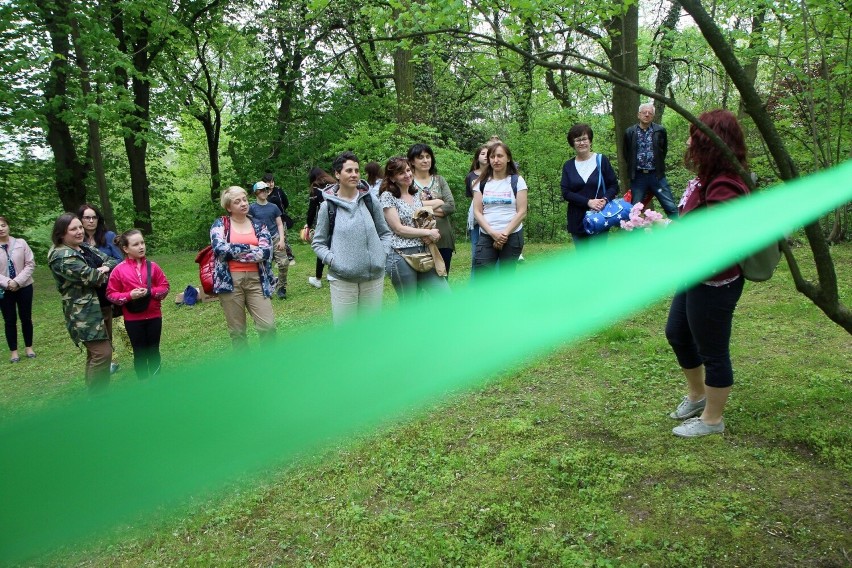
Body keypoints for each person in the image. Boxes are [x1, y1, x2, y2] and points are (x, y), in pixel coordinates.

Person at [665, 109, 750, 438]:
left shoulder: (725, 184)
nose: (687, 141)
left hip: (714, 280)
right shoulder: (707, 178)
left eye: (693, 135)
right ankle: (698, 396)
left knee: (712, 349)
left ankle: (712, 420)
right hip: (693, 273)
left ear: (711, 142)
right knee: (677, 332)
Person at [311, 152, 392, 324]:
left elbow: (385, 233)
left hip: (373, 277)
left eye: (356, 170)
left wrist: (382, 254)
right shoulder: (328, 206)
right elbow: (318, 243)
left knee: (370, 330)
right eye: (349, 170)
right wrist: (335, 261)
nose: (354, 174)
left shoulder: (371, 201)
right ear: (337, 174)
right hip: (343, 280)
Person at [47, 213, 118, 390]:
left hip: (102, 306)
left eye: (80, 227)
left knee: (96, 354)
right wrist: (102, 270)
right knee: (102, 354)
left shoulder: (83, 247)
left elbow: (114, 261)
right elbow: (92, 277)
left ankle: (95, 395)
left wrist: (105, 267)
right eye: (73, 229)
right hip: (85, 313)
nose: (79, 231)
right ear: (61, 233)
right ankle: (98, 398)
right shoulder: (61, 255)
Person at [210, 186, 276, 347]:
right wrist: (251, 249)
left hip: (257, 281)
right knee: (238, 332)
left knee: (268, 326)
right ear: (228, 207)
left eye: (245, 199)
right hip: (230, 283)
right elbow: (220, 250)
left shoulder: (258, 225)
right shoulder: (220, 224)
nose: (243, 204)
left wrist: (234, 250)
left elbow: (266, 252)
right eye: (237, 201)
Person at [380, 156, 450, 300]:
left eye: (408, 170)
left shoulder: (416, 194)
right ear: (392, 178)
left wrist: (431, 230)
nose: (407, 175)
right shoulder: (388, 196)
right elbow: (398, 229)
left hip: (424, 252)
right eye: (401, 173)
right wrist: (427, 232)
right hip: (400, 255)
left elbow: (420, 220)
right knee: (410, 304)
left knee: (445, 296)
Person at [106, 229, 170, 379]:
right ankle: (143, 383)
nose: (141, 247)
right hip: (133, 319)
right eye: (136, 244)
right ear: (126, 249)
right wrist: (130, 295)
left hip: (154, 315)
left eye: (142, 243)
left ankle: (156, 381)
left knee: (154, 349)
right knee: (139, 352)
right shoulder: (118, 270)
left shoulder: (153, 266)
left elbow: (165, 287)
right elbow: (111, 294)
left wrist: (151, 292)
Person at [78, 203, 127, 373]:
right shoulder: (78, 240)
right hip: (86, 293)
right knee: (93, 332)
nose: (91, 221)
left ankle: (109, 360)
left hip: (107, 287)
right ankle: (100, 362)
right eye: (87, 217)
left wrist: (106, 267)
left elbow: (120, 259)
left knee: (108, 325)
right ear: (80, 220)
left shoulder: (108, 236)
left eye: (94, 217)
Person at [471, 142, 528, 272]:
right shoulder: (481, 182)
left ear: (508, 158)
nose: (496, 160)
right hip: (487, 235)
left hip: (512, 235)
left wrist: (504, 234)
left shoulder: (518, 181)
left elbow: (522, 211)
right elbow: (477, 211)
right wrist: (492, 233)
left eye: (500, 156)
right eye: (492, 157)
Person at [560, 123, 619, 245]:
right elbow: (566, 192)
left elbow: (613, 186)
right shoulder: (568, 166)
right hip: (577, 219)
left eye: (584, 139)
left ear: (590, 141)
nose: (581, 143)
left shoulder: (601, 160)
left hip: (599, 216)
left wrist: (604, 200)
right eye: (577, 140)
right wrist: (588, 202)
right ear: (573, 144)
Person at [623, 103, 679, 218]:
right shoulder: (630, 132)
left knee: (670, 206)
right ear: (638, 115)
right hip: (638, 177)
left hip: (656, 175)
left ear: (653, 116)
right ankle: (636, 234)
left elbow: (663, 151)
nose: (647, 115)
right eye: (644, 112)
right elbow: (626, 153)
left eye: (650, 113)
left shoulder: (660, 131)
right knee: (635, 210)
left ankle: (679, 230)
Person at [408, 143, 457, 273]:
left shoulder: (440, 180)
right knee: (419, 287)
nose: (425, 160)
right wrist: (438, 201)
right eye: (420, 157)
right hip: (418, 240)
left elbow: (451, 206)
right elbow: (408, 208)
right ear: (412, 161)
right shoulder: (408, 182)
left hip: (443, 238)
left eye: (428, 156)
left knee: (442, 282)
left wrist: (422, 210)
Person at [0, 216, 36, 363]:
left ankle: (29, 347)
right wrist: (8, 283)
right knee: (9, 320)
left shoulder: (21, 243)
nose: (1, 229)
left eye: (3, 225)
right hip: (4, 289)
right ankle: (13, 351)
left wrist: (17, 282)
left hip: (24, 286)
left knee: (26, 317)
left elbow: (30, 264)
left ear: (8, 226)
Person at [251, 181, 289, 300]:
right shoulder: (252, 208)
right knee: (265, 266)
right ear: (256, 193)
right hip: (261, 240)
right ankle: (268, 287)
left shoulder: (273, 207)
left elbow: (279, 224)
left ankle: (282, 287)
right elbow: (249, 225)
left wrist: (282, 239)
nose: (264, 192)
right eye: (261, 190)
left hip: (275, 237)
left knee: (283, 263)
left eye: (266, 189)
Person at [304, 167, 336, 289]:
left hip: (326, 221)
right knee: (335, 246)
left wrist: (308, 224)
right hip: (340, 218)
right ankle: (332, 274)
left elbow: (312, 210)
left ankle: (318, 279)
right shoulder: (334, 184)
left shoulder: (315, 189)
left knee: (322, 247)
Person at [262, 171, 295, 269]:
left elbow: (286, 203)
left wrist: (280, 212)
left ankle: (290, 257)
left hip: (281, 218)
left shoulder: (279, 191)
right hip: (269, 220)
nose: (271, 184)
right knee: (272, 239)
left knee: (283, 237)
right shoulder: (264, 193)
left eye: (272, 181)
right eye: (268, 182)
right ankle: (276, 259)